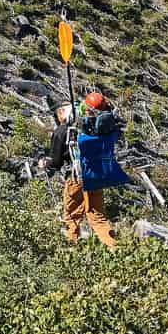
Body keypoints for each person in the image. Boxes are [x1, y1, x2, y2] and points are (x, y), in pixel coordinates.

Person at [39, 91, 129, 248]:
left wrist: (45, 164)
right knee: (98, 217)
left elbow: (56, 162)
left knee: (72, 217)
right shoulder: (104, 128)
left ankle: (72, 251)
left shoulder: (63, 131)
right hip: (96, 177)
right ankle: (116, 249)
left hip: (77, 178)